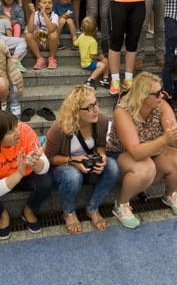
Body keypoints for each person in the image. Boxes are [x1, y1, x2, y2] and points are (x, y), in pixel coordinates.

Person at [106, 72, 177, 229]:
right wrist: (165, 139)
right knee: (146, 168)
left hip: (153, 151)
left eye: (162, 91)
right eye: (157, 93)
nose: (162, 96)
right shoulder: (122, 111)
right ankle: (121, 204)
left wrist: (176, 137)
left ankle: (169, 195)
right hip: (122, 154)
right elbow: (136, 152)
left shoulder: (161, 106)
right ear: (143, 96)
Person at [45, 86, 120, 233]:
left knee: (113, 167)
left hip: (86, 162)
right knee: (73, 176)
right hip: (63, 167)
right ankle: (69, 211)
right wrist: (73, 160)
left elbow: (100, 145)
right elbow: (49, 158)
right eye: (90, 107)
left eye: (96, 104)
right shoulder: (59, 127)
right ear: (76, 111)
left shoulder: (101, 120)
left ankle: (92, 208)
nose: (96, 109)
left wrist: (102, 156)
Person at [0, 110, 53, 239]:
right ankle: (2, 215)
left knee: (47, 181)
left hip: (26, 174)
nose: (17, 133)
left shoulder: (25, 130)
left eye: (16, 127)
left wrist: (35, 163)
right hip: (2, 179)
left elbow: (45, 167)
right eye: (11, 132)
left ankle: (29, 210)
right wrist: (19, 173)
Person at [24, 0, 60, 70]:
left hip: (49, 43)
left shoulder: (55, 16)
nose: (47, 4)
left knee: (54, 34)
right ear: (39, 5)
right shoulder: (36, 14)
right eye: (44, 3)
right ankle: (40, 59)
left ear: (52, 5)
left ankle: (52, 59)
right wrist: (33, 13)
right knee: (27, 35)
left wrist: (44, 14)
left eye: (49, 3)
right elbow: (30, 30)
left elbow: (51, 29)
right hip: (39, 42)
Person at [75, 17, 110, 88]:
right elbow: (92, 56)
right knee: (102, 65)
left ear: (81, 28)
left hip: (86, 61)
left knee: (105, 60)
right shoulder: (93, 41)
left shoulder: (81, 36)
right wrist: (100, 57)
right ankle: (90, 81)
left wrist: (74, 37)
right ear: (96, 29)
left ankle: (105, 79)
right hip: (88, 63)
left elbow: (75, 44)